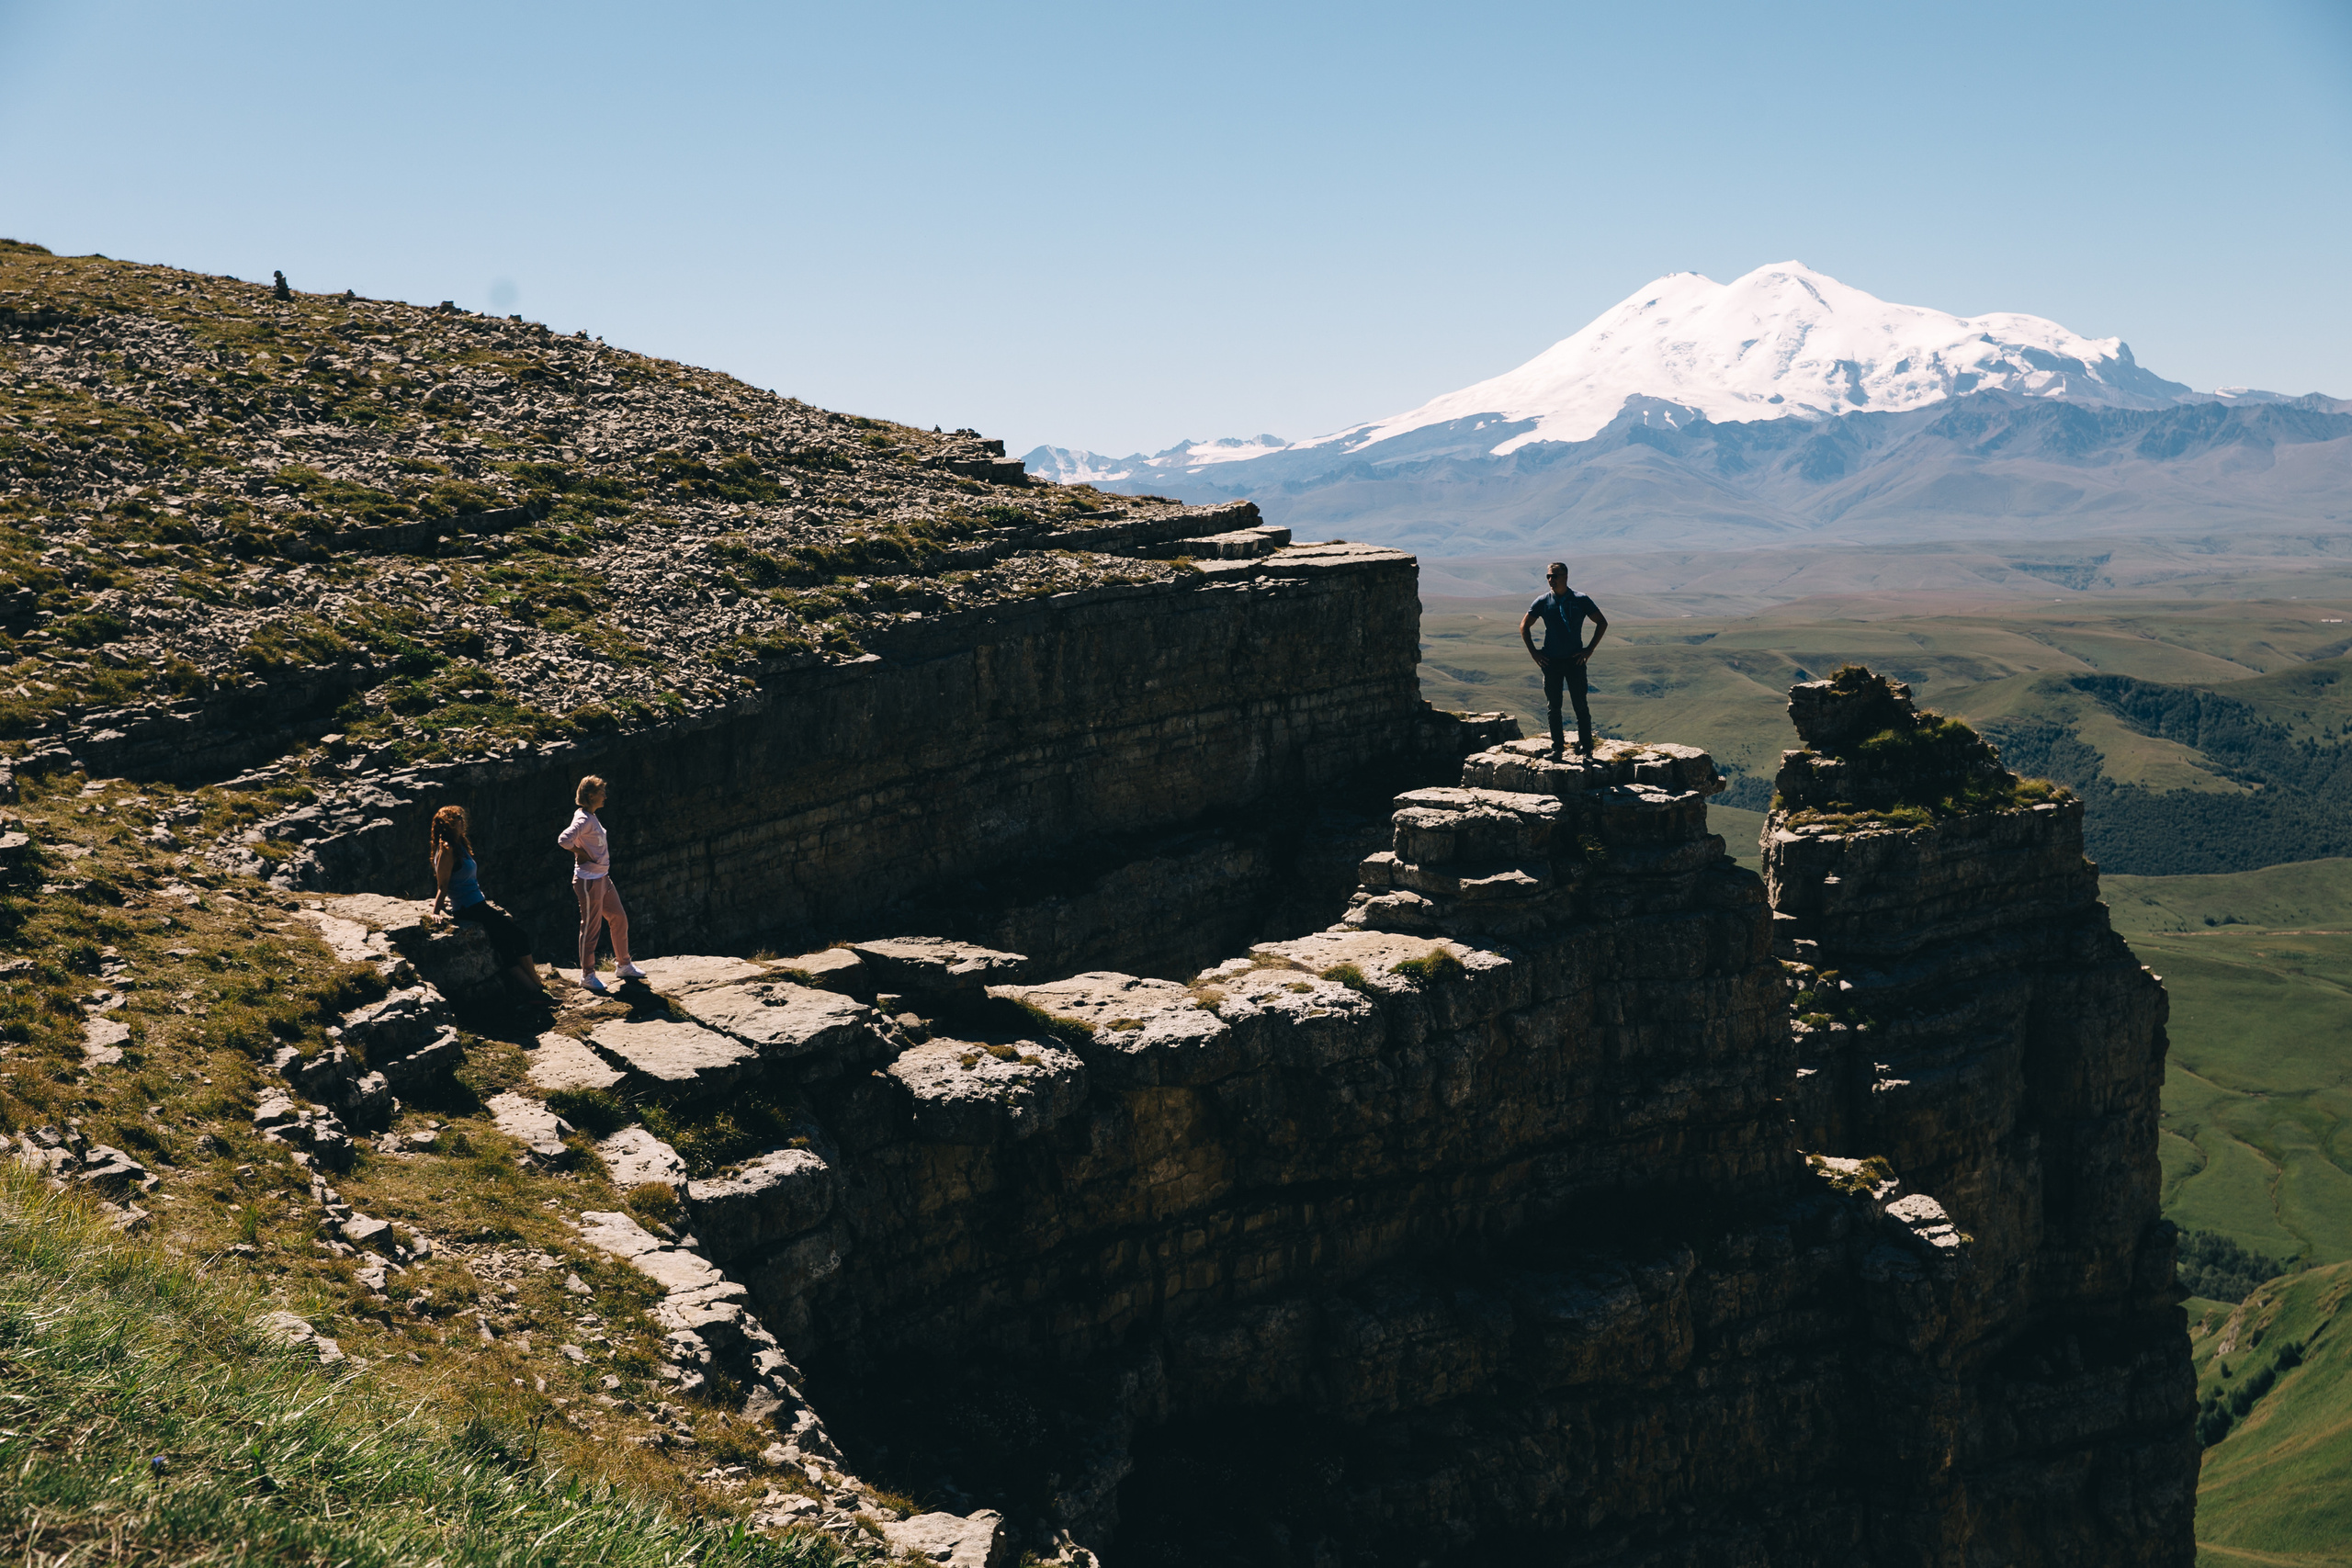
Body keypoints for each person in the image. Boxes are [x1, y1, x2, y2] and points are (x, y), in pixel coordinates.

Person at [427, 805, 550, 1005]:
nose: (462, 820)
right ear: (449, 824)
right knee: (519, 936)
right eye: (458, 817)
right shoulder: (446, 850)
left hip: (477, 903)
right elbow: (443, 885)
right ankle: (537, 985)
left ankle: (533, 992)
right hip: (468, 908)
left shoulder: (460, 845)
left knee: (504, 947)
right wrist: (436, 911)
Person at [558, 774, 642, 992]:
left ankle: (624, 964)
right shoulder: (584, 819)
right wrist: (581, 853)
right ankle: (587, 975)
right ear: (590, 795)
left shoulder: (589, 815)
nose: (605, 796)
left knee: (619, 918)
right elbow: (563, 840)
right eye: (601, 792)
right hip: (589, 882)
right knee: (591, 928)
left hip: (602, 878)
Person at [1520, 561, 1609, 758]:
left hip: (1575, 661)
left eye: (1555, 575)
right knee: (1554, 707)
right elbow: (1524, 626)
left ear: (1566, 576)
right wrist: (1534, 653)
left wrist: (1589, 650)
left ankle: (1586, 749)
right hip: (1550, 661)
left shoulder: (1580, 599)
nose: (1551, 579)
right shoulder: (1543, 601)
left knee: (1581, 706)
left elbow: (1602, 622)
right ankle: (1557, 749)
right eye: (1548, 576)